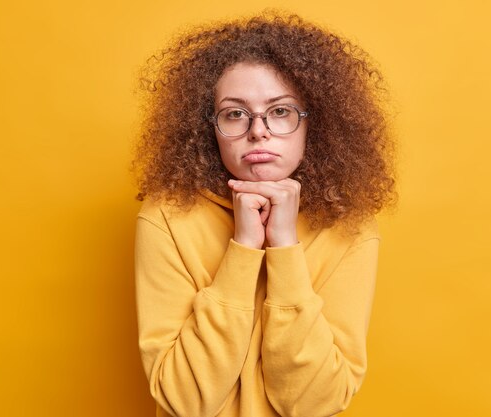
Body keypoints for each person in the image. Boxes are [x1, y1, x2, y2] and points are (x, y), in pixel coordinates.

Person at [133, 11, 396, 417]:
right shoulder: (167, 218)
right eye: (235, 113)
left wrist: (285, 247)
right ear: (210, 128)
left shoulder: (350, 228)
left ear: (315, 124)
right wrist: (244, 247)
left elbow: (315, 404)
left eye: (280, 111)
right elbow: (184, 403)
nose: (258, 131)